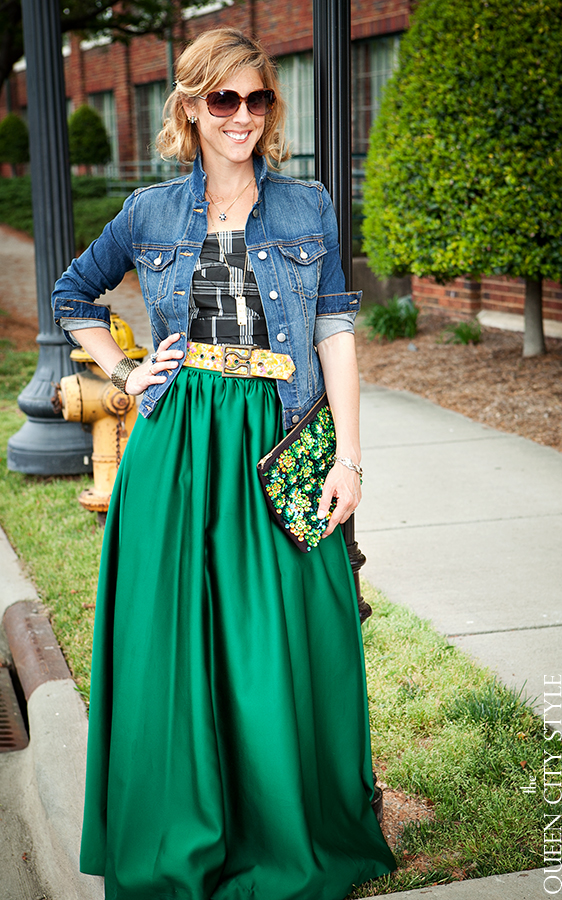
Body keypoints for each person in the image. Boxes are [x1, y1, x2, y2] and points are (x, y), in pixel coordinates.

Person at [52, 26, 396, 900]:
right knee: (176, 636)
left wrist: (349, 459)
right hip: (179, 445)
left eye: (257, 100)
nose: (241, 116)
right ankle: (183, 830)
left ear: (271, 111)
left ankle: (287, 827)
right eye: (224, 100)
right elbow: (72, 295)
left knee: (286, 632)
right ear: (192, 107)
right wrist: (128, 373)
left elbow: (334, 333)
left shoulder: (308, 204)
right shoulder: (150, 213)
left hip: (279, 434)